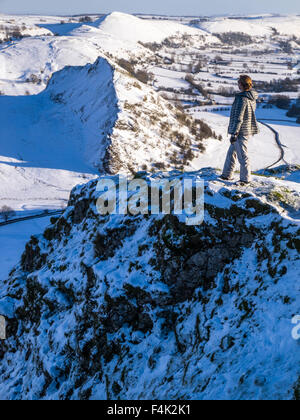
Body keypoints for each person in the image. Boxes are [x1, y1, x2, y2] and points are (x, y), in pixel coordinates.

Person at [221, 75, 259, 186]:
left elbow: (239, 117)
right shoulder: (251, 97)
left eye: (239, 83)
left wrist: (235, 133)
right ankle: (226, 175)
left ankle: (245, 180)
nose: (237, 85)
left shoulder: (241, 99)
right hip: (247, 129)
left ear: (242, 85)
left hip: (241, 131)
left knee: (242, 156)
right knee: (231, 153)